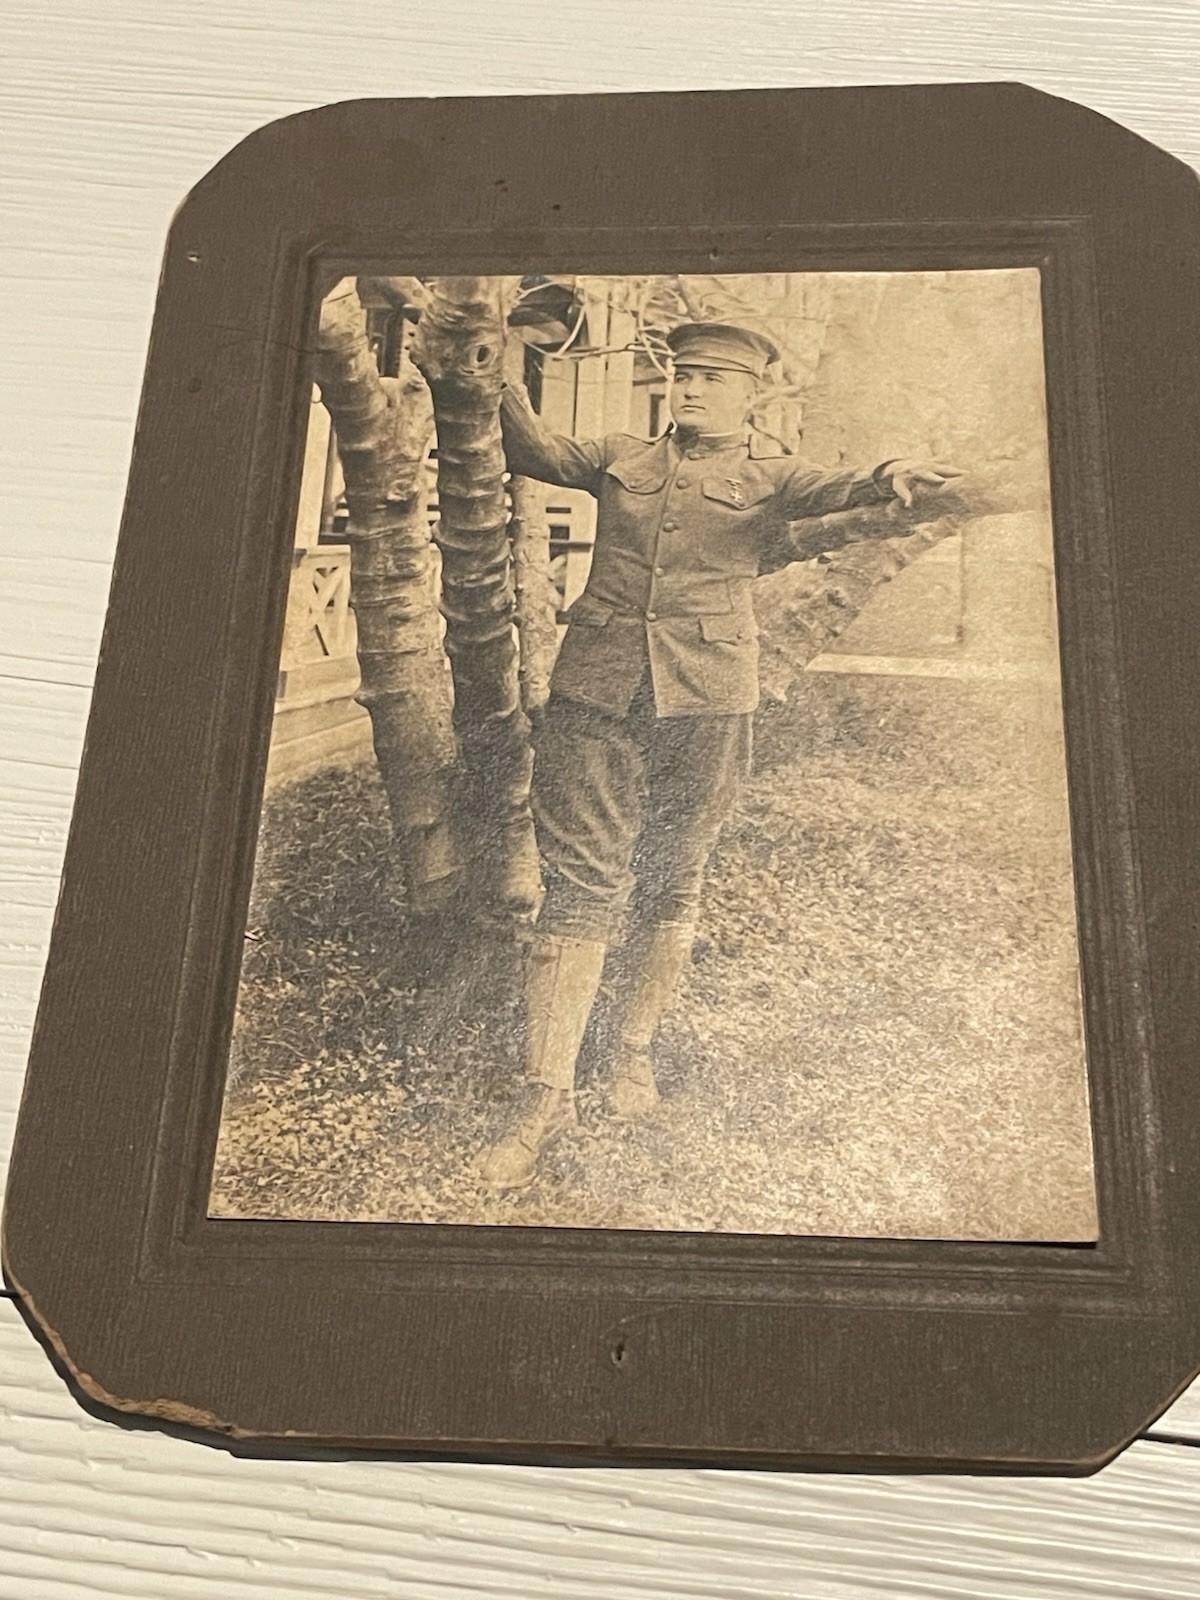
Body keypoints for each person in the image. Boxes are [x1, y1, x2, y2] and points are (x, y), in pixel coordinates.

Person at [480, 320, 962, 1189]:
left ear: (750, 395)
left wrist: (895, 473)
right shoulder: (621, 454)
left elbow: (841, 486)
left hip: (707, 700)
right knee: (582, 885)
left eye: (711, 379)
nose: (692, 390)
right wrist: (498, 363)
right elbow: (537, 449)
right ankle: (543, 1095)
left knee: (674, 878)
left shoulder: (774, 474)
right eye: (684, 376)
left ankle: (630, 1051)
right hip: (597, 689)